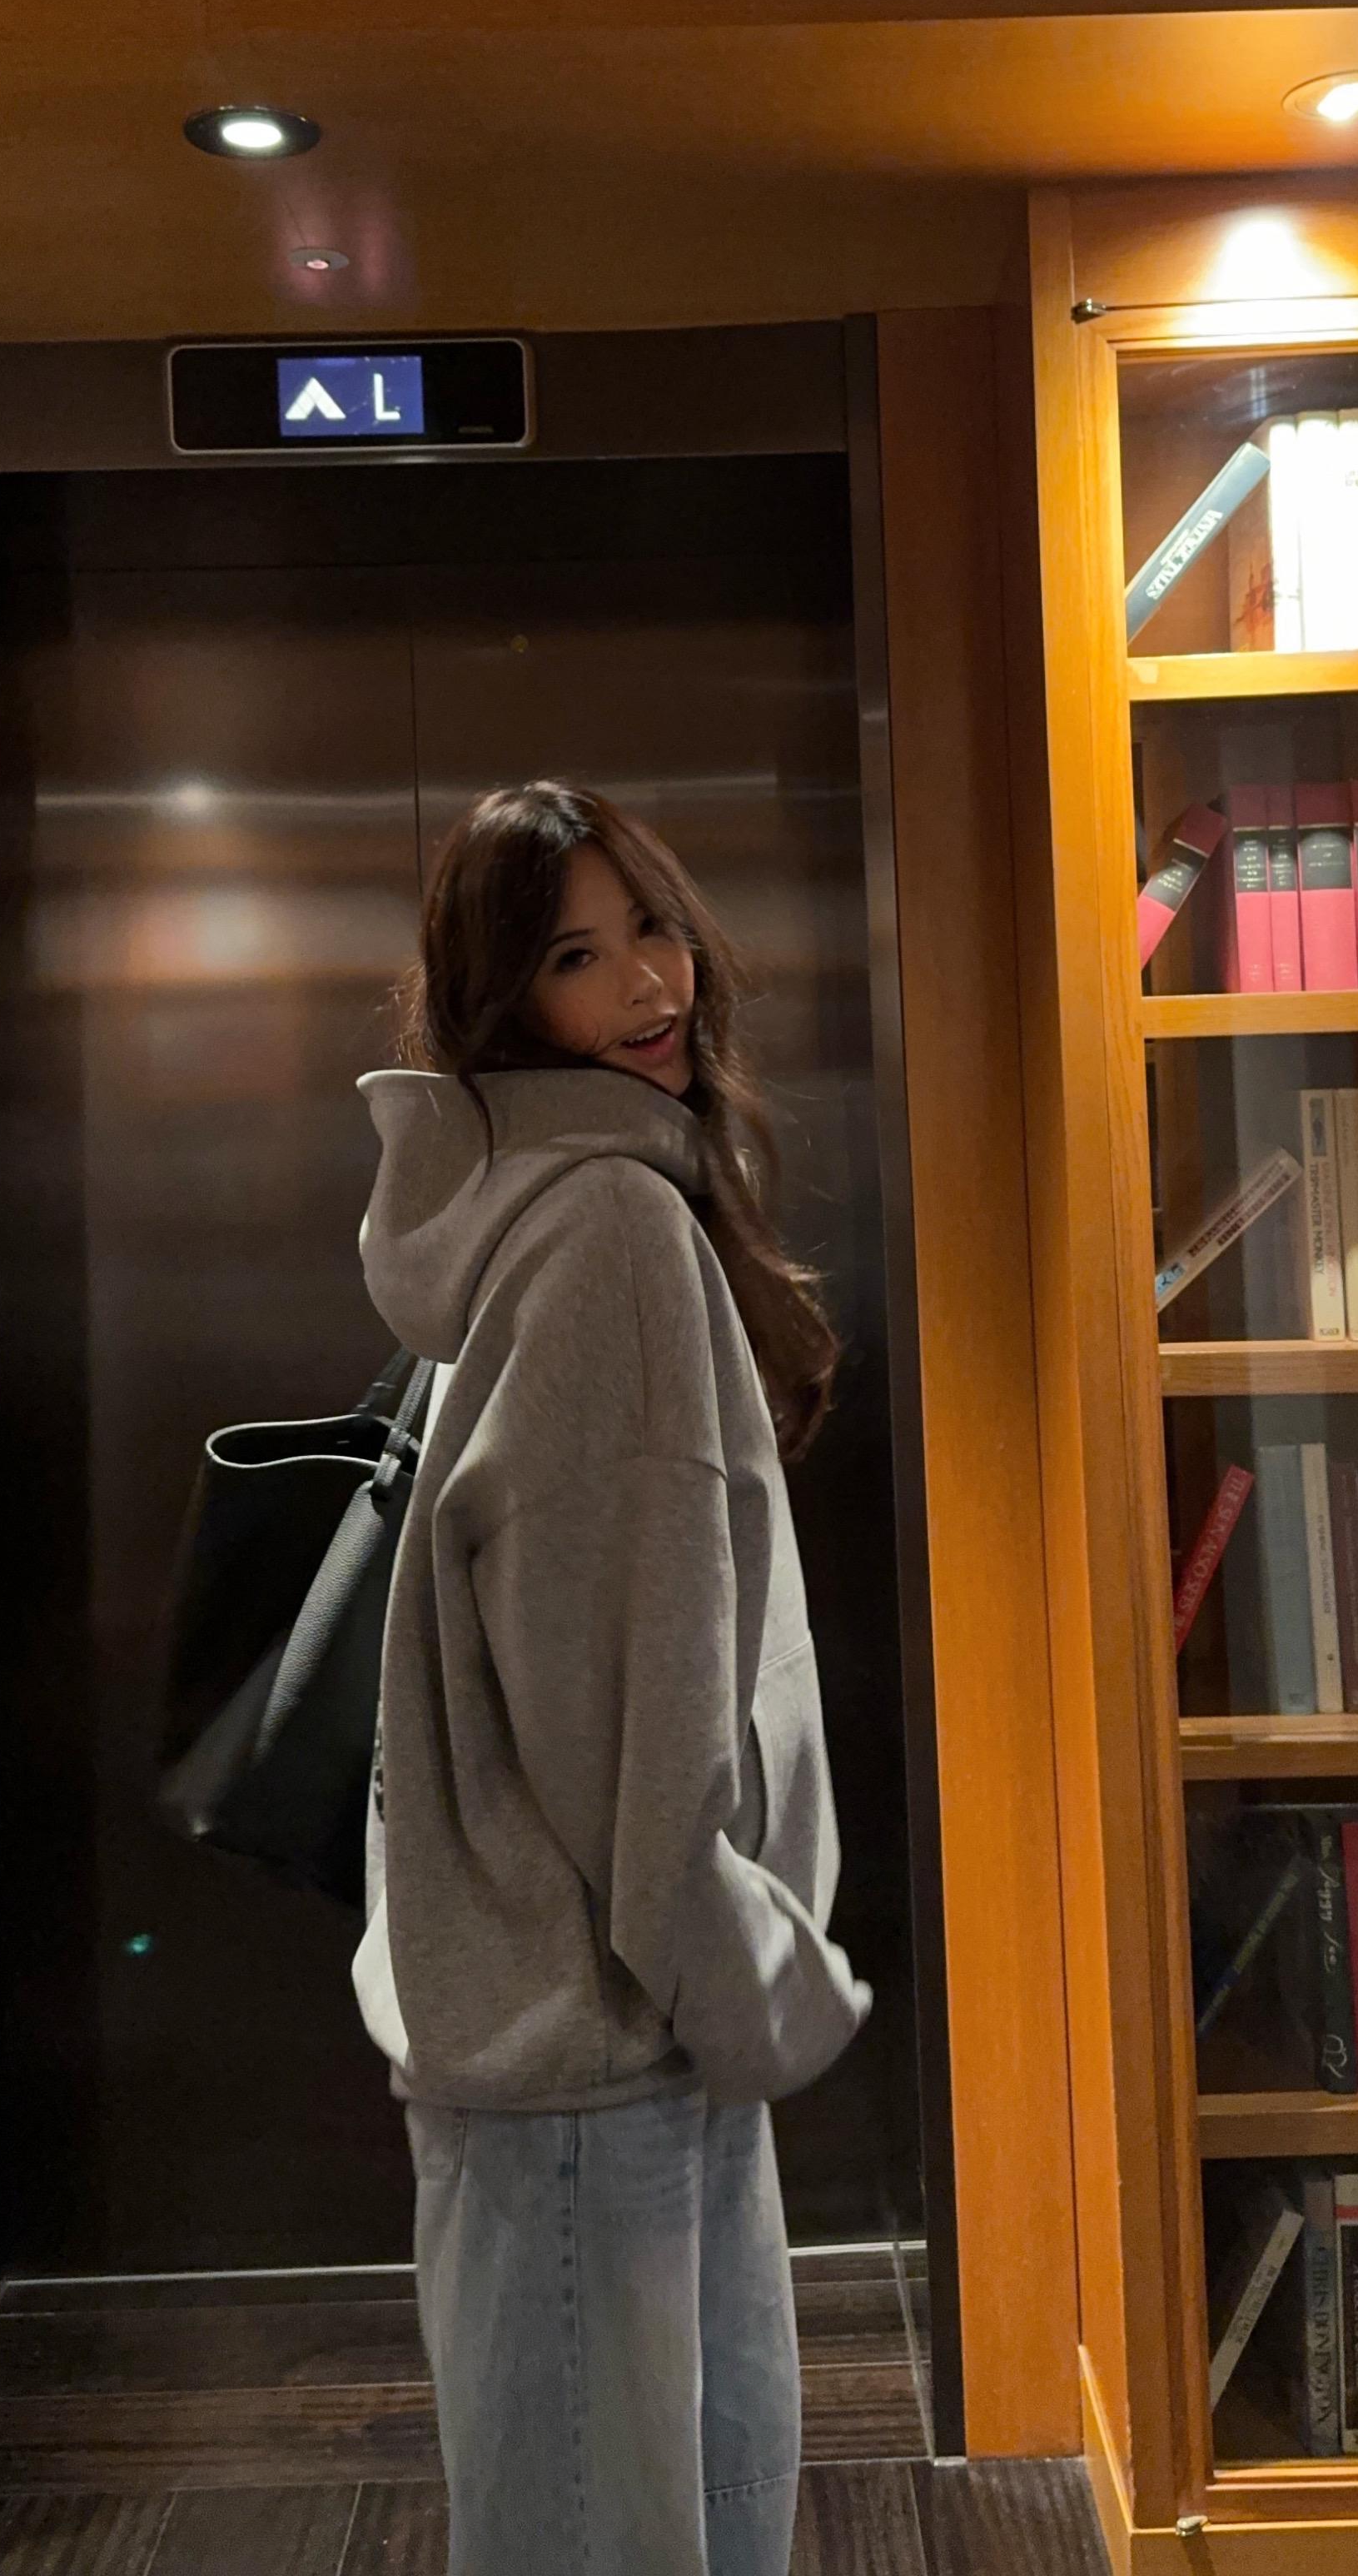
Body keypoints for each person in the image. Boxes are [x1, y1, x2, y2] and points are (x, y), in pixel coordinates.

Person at [353, 780, 873, 2576]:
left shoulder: (542, 1208)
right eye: (576, 956)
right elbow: (620, 1712)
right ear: (505, 1002)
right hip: (608, 2039)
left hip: (599, 2027)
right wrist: (755, 1983)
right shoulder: (608, 1235)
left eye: (650, 924)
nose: (648, 982)